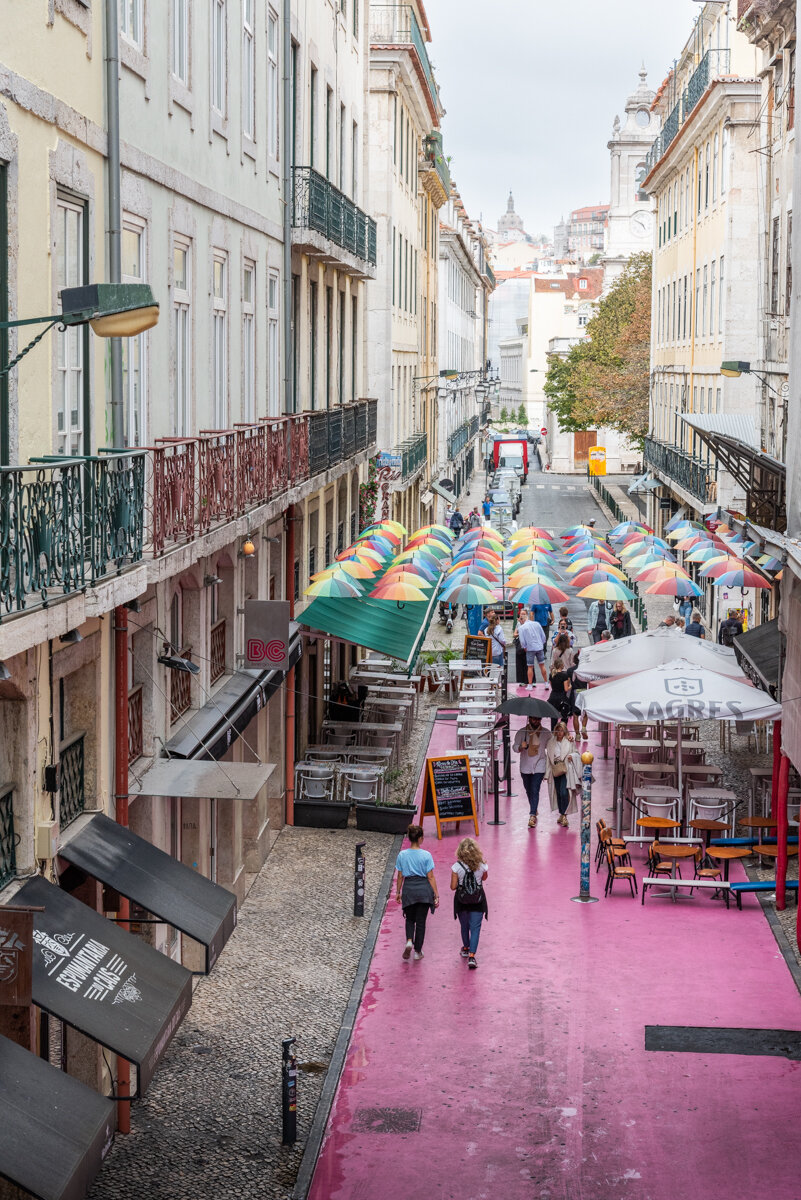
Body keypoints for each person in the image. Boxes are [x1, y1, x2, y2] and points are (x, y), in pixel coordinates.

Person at [394, 824, 439, 961]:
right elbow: (430, 876)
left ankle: (409, 940)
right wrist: (436, 894)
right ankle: (418, 951)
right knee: (421, 922)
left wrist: (398, 892)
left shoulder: (402, 855)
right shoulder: (426, 855)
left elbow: (400, 875)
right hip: (423, 890)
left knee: (410, 919)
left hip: (409, 889)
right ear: (420, 839)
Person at [450, 837, 488, 969]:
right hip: (478, 900)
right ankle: (472, 956)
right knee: (475, 928)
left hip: (462, 901)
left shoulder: (456, 867)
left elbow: (453, 887)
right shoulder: (482, 865)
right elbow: (484, 878)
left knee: (464, 925)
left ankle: (465, 948)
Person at [513, 716, 548, 828]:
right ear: (529, 719)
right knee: (528, 790)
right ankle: (534, 807)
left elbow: (553, 744)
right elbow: (514, 747)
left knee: (535, 789)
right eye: (534, 719)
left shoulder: (546, 733)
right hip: (525, 766)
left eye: (538, 719)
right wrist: (520, 747)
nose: (536, 721)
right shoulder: (522, 732)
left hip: (540, 765)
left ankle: (532, 814)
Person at [545, 722, 580, 827]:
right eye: (558, 730)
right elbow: (548, 758)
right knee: (558, 793)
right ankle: (561, 813)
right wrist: (547, 774)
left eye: (561, 730)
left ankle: (564, 814)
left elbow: (577, 753)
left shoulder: (569, 742)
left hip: (566, 770)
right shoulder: (551, 742)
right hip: (555, 769)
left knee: (564, 792)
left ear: (564, 731)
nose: (559, 733)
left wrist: (572, 756)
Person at [517, 612, 547, 687]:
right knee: (542, 665)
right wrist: (541, 643)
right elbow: (543, 636)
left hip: (530, 648)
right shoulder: (537, 624)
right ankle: (546, 683)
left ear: (521, 620)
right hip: (539, 647)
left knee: (530, 666)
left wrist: (525, 647)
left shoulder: (521, 628)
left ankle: (530, 684)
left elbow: (522, 641)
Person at [569, 648, 589, 740]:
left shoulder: (570, 670)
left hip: (575, 692)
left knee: (575, 715)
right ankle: (584, 728)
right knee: (585, 713)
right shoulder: (586, 670)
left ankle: (577, 735)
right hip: (585, 692)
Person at [513, 607, 530, 685]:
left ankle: (530, 680)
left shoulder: (529, 623)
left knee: (528, 663)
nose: (522, 615)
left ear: (526, 615)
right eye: (521, 614)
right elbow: (514, 634)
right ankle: (521, 680)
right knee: (520, 663)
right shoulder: (518, 623)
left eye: (524, 614)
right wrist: (520, 633)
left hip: (527, 644)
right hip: (520, 644)